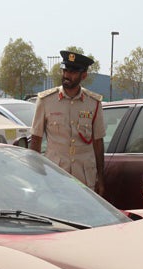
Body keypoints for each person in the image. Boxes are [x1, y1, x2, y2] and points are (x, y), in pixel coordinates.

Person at [29, 50, 107, 196]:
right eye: (65, 71)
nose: (66, 75)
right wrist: (36, 176)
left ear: (83, 75)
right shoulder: (46, 101)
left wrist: (101, 179)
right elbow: (36, 140)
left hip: (84, 177)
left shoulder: (93, 103)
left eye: (72, 72)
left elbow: (98, 142)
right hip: (55, 175)